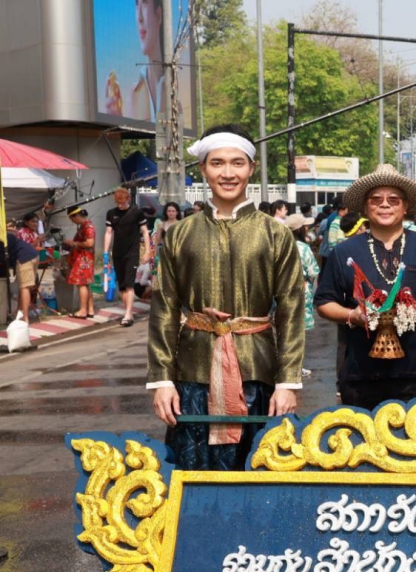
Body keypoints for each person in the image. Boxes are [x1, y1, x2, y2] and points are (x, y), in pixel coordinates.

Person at [148, 124, 305, 471]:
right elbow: (164, 309)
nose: (228, 173)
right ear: (203, 169)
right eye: (217, 163)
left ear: (251, 168)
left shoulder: (275, 234)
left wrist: (288, 382)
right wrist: (162, 380)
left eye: (237, 163)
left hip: (256, 375)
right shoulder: (180, 235)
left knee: (257, 472)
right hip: (192, 374)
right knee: (192, 474)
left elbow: (292, 309)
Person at [315, 164, 416, 409]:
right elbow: (324, 302)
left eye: (393, 199)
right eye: (376, 199)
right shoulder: (345, 251)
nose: (384, 205)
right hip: (361, 374)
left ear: (405, 207)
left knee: (414, 444)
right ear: (365, 206)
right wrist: (353, 315)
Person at [104, 188, 150, 326]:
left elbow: (145, 232)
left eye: (122, 202)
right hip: (117, 252)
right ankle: (127, 310)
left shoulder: (137, 213)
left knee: (130, 284)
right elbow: (108, 233)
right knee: (122, 286)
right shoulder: (111, 213)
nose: (120, 205)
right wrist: (106, 252)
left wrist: (148, 251)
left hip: (132, 253)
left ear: (128, 199)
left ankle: (128, 314)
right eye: (118, 203)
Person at [284, 213, 319, 332]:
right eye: (305, 226)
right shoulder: (303, 248)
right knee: (299, 331)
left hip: (281, 293)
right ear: (299, 229)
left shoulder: (278, 246)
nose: (307, 228)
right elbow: (313, 271)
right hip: (301, 291)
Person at [63, 208, 96, 318]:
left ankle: (83, 310)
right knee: (86, 284)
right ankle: (90, 309)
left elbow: (90, 243)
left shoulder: (88, 228)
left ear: (76, 216)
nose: (72, 221)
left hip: (83, 260)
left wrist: (73, 243)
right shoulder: (84, 227)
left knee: (81, 284)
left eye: (72, 219)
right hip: (84, 259)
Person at [6, 221, 39, 319]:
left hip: (24, 257)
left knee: (24, 287)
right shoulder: (7, 235)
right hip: (33, 254)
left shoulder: (4, 236)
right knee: (23, 286)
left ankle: (25, 318)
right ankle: (19, 314)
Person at [316, 201, 348, 275]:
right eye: (347, 210)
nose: (348, 213)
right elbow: (339, 241)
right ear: (341, 211)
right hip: (337, 255)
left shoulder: (335, 221)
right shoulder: (338, 223)